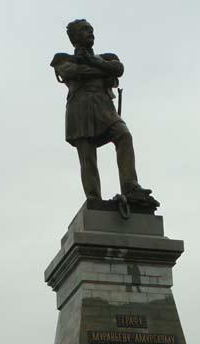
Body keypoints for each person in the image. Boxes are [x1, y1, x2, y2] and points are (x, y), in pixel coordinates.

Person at [51, 19, 156, 206]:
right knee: (87, 157)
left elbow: (118, 69)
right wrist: (102, 70)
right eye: (85, 30)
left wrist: (92, 62)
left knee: (124, 135)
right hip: (80, 111)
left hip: (104, 108)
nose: (90, 32)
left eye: (91, 29)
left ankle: (131, 188)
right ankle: (94, 199)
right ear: (74, 37)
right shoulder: (62, 59)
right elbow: (70, 72)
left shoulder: (107, 57)